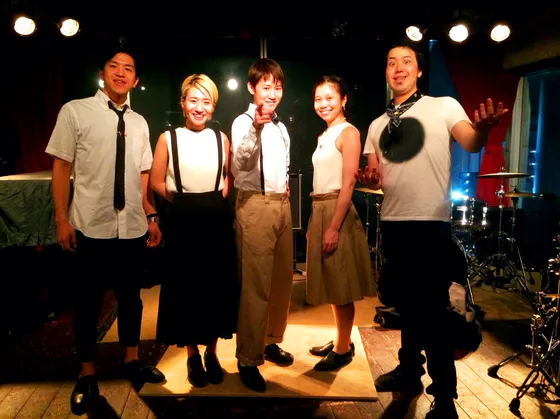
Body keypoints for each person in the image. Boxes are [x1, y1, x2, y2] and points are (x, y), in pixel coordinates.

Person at [356, 39, 508, 419]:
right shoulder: (376, 125)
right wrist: (370, 179)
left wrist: (483, 129)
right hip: (393, 223)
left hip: (430, 224)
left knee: (435, 315)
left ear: (419, 70)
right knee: (407, 308)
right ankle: (409, 373)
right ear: (386, 72)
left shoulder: (443, 106)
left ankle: (444, 399)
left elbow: (470, 142)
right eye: (391, 62)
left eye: (407, 61)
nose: (399, 68)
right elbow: (376, 176)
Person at [45, 45, 165, 416]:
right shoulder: (75, 111)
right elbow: (61, 166)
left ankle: (131, 360)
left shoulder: (140, 122)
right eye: (114, 65)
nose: (121, 72)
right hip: (90, 224)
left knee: (131, 299)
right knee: (87, 303)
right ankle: (86, 373)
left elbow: (142, 174)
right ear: (102, 73)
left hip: (131, 226)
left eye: (128, 68)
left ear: (136, 79)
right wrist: (62, 219)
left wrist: (149, 214)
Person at [151, 73, 239, 388]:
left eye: (206, 101)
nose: (199, 107)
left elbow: (228, 175)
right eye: (193, 100)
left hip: (216, 218)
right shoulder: (168, 138)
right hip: (183, 218)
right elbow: (155, 182)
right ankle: (191, 355)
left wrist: (217, 197)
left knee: (215, 287)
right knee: (186, 289)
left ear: (213, 106)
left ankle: (212, 353)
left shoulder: (221, 138)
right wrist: (182, 201)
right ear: (183, 103)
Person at [231, 57, 294, 392]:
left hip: (282, 205)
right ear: (251, 88)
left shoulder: (281, 127)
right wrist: (255, 127)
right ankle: (247, 358)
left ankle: (270, 341)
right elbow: (240, 162)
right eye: (266, 87)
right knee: (254, 285)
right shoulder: (243, 122)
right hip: (254, 206)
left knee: (281, 280)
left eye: (277, 87)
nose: (272, 93)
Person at [306, 75, 375, 371]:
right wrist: (315, 221)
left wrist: (333, 226)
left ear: (343, 99)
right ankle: (340, 339)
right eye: (318, 99)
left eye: (329, 97)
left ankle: (344, 348)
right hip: (320, 206)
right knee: (333, 282)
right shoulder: (324, 134)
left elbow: (347, 184)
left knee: (341, 284)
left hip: (338, 209)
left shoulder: (349, 132)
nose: (323, 104)